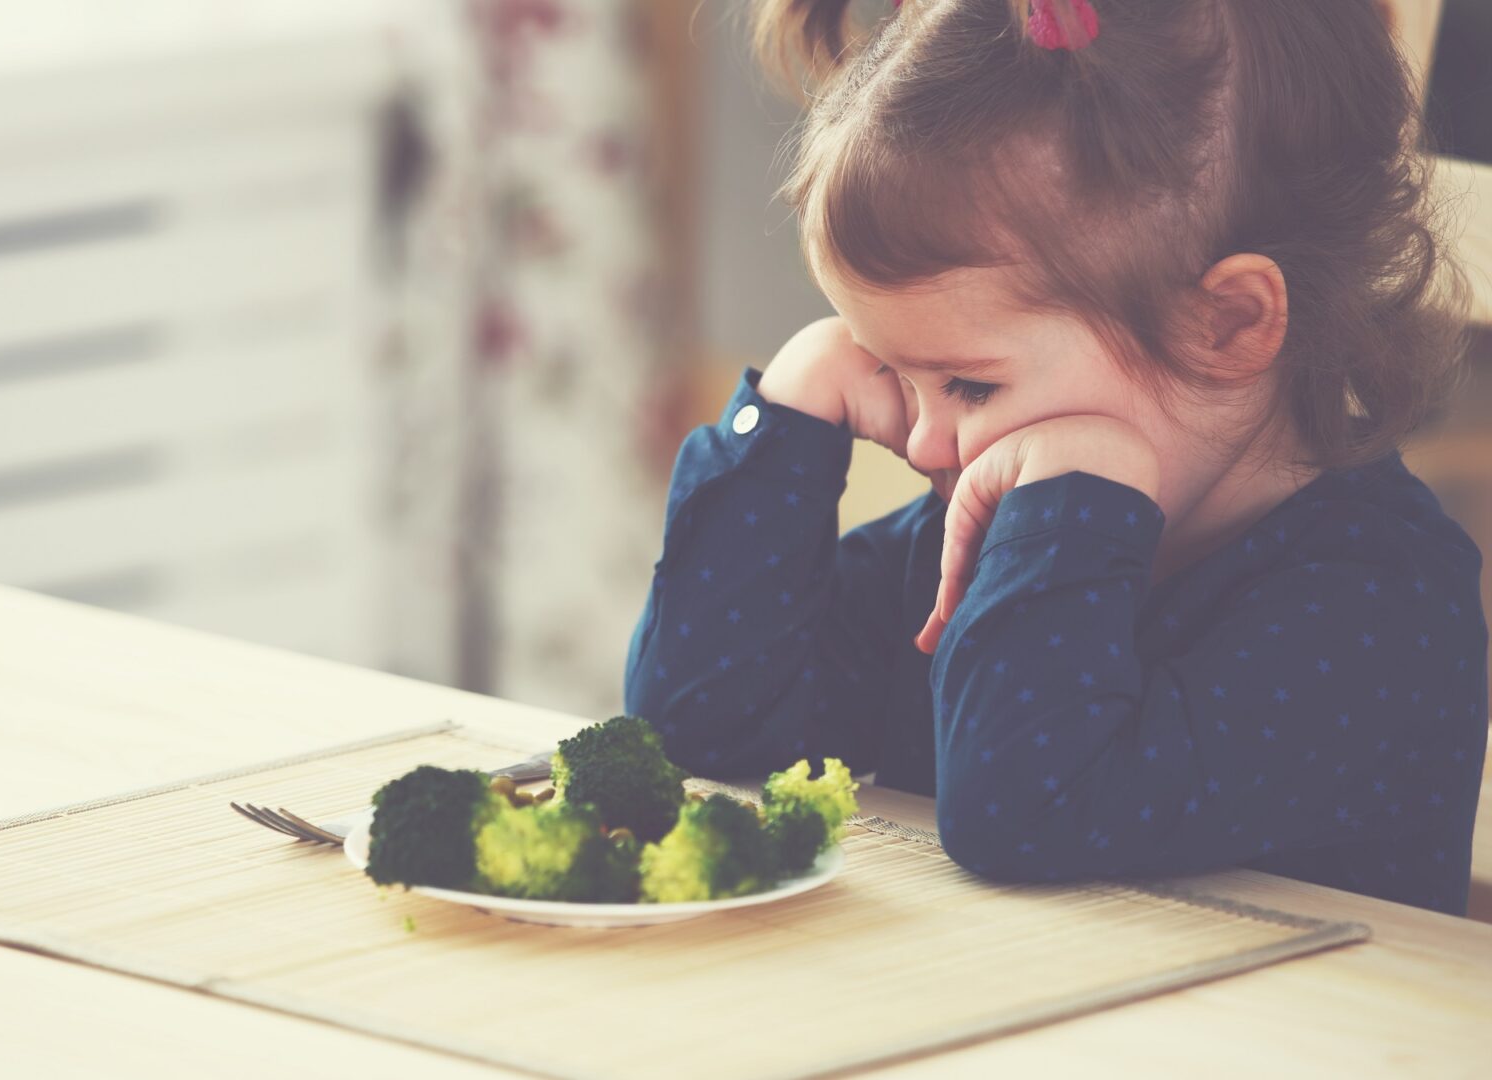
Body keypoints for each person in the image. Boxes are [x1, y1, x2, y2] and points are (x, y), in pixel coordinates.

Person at [625, 0, 1488, 916]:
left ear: (1226, 326)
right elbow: (701, 733)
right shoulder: (982, 536)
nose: (920, 443)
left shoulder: (1376, 605)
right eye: (892, 370)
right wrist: (787, 419)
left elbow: (1022, 818)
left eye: (968, 386)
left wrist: (1075, 505)